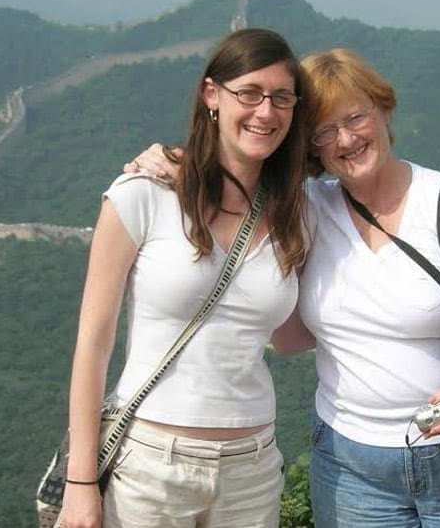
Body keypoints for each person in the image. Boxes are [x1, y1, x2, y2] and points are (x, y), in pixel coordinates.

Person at [126, 47, 440, 527]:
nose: (346, 140)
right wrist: (172, 163)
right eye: (324, 132)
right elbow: (230, 188)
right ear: (311, 148)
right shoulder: (303, 209)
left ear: (384, 110)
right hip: (351, 467)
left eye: (355, 118)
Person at [62, 28, 310, 528]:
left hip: (252, 468)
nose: (266, 111)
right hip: (151, 468)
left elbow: (285, 337)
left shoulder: (298, 212)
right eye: (250, 93)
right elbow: (93, 344)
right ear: (211, 95)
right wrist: (81, 480)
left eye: (281, 98)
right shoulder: (141, 194)